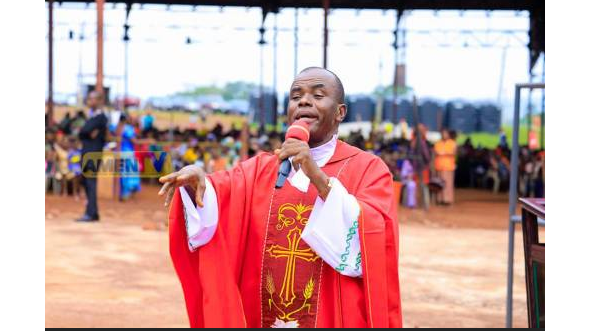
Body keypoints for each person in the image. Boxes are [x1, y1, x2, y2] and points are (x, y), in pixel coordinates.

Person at [159, 67, 402, 328]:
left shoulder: (368, 169)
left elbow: (376, 238)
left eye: (318, 95)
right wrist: (198, 182)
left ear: (340, 112)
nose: (304, 101)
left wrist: (318, 178)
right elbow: (218, 198)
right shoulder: (259, 170)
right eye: (296, 96)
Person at [76, 91, 108, 223]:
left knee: (90, 183)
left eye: (92, 99)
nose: (89, 101)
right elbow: (84, 132)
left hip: (93, 154)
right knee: (86, 182)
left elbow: (84, 131)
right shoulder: (92, 117)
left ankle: (91, 213)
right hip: (87, 153)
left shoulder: (100, 117)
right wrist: (86, 132)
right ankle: (92, 212)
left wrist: (85, 132)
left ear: (99, 101)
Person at [434, 129, 457, 205]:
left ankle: (447, 200)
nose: (444, 135)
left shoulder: (452, 143)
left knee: (448, 184)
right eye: (443, 133)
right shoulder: (438, 143)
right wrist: (445, 153)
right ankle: (439, 199)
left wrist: (443, 153)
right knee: (439, 184)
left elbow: (453, 152)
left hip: (448, 167)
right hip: (439, 166)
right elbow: (436, 152)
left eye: (446, 133)